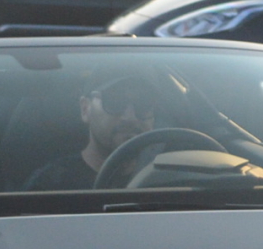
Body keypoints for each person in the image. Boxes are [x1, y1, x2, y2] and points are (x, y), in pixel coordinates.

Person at [24, 75, 166, 190]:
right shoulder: (50, 187)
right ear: (85, 109)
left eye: (144, 104)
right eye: (115, 102)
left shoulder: (174, 177)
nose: (129, 117)